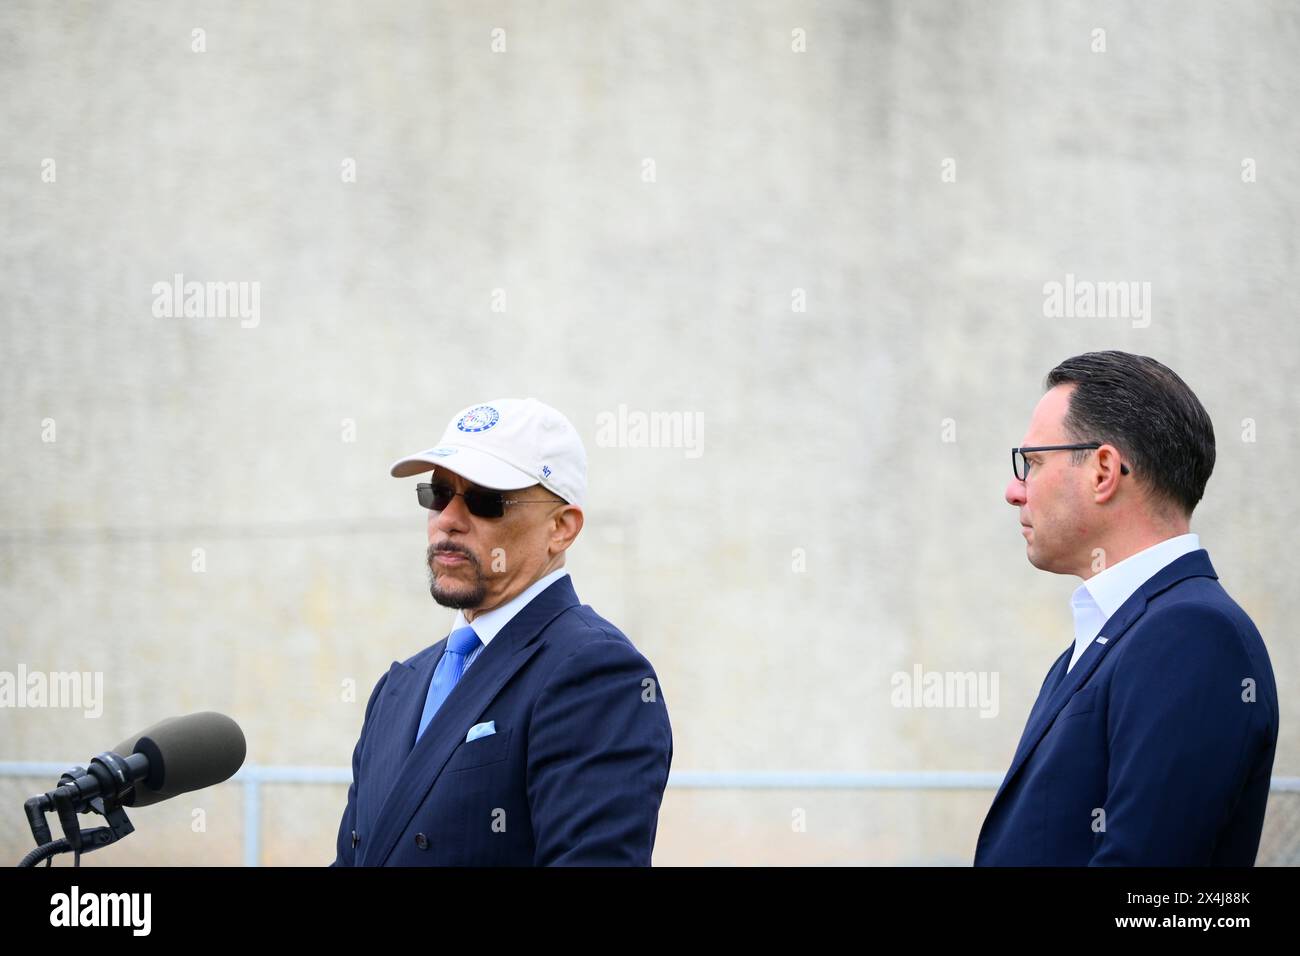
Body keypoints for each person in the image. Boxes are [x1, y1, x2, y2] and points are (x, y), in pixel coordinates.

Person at [331, 398, 673, 865]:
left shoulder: (596, 673)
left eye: (485, 499)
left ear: (561, 528)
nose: (448, 518)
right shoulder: (399, 686)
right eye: (437, 494)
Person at [975, 351, 1278, 865]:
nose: (1013, 490)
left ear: (1103, 471)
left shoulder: (1193, 637)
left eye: (1032, 463)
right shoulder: (1120, 631)